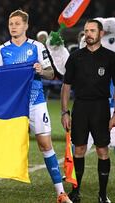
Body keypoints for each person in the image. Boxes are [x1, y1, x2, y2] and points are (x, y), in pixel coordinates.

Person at [0, 10, 72, 203]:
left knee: (45, 144)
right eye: (11, 24)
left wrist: (42, 70)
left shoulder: (37, 47)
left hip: (35, 102)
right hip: (12, 105)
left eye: (17, 23)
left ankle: (60, 193)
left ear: (26, 26)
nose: (13, 27)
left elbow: (52, 74)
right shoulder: (1, 50)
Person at [61, 19, 115, 203]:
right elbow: (66, 86)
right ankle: (75, 192)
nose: (88, 34)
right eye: (86, 31)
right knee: (80, 149)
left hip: (101, 108)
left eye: (92, 30)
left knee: (102, 151)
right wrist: (64, 112)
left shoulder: (110, 57)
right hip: (81, 107)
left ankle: (102, 194)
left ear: (101, 34)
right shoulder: (75, 56)